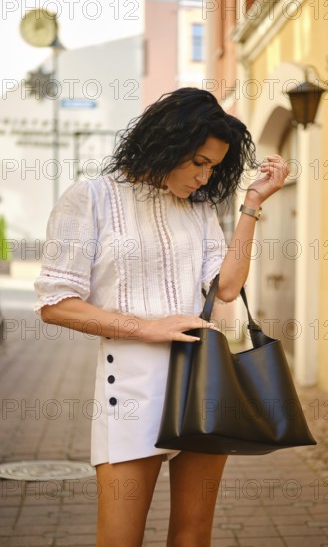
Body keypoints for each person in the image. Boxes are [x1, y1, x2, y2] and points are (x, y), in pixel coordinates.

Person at [34, 87, 289, 547]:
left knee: (193, 536)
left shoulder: (199, 208)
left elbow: (226, 287)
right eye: (197, 161)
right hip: (131, 389)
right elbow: (56, 303)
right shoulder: (90, 198)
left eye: (213, 166)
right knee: (121, 540)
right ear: (165, 142)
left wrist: (252, 203)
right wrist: (147, 327)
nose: (203, 175)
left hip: (204, 382)